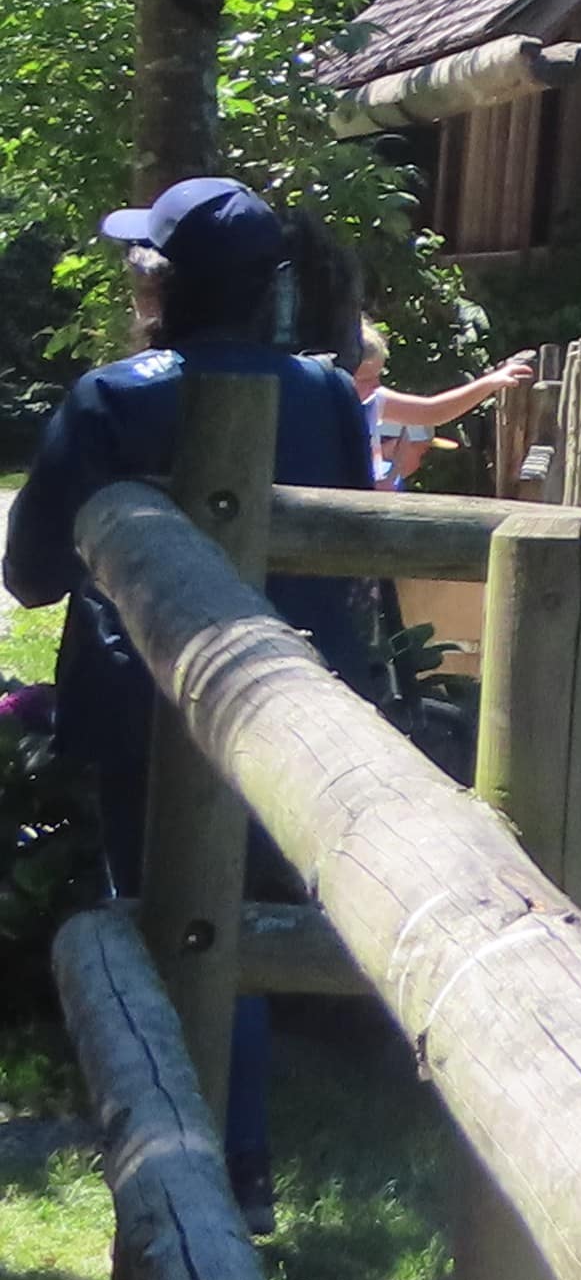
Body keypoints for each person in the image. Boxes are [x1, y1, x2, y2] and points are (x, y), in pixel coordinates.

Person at [5, 177, 377, 1222]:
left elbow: (30, 571)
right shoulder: (328, 396)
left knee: (180, 925)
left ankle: (205, 1157)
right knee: (250, 924)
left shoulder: (115, 398)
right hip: (302, 699)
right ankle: (240, 1150)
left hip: (149, 706)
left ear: (158, 283)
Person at [353, 323, 536, 483]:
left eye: (378, 377)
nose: (376, 385)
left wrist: (490, 383)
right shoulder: (328, 407)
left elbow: (432, 412)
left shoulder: (374, 399)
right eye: (366, 379)